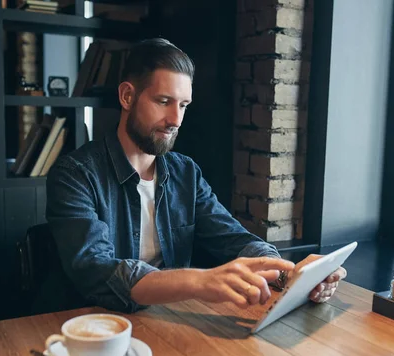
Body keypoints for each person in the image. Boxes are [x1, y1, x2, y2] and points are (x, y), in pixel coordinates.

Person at [43, 38, 346, 314]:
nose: (175, 119)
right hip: (96, 328)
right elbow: (97, 270)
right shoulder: (75, 175)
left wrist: (290, 275)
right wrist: (198, 282)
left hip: (169, 320)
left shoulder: (185, 172)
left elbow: (232, 237)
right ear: (127, 96)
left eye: (183, 105)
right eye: (163, 101)